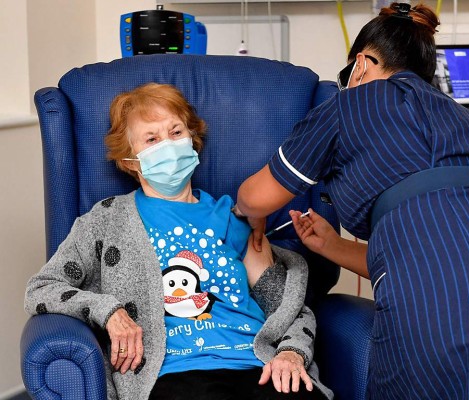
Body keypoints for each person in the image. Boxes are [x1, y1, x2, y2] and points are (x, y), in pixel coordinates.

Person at [235, 3, 469, 399]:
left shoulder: (346, 106)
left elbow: (256, 197)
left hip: (435, 285)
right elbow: (444, 239)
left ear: (360, 64)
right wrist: (332, 246)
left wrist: (242, 212)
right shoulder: (460, 115)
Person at [25, 83, 332, 400]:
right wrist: (109, 311)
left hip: (257, 366)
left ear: (193, 141)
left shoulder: (233, 219)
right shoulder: (106, 221)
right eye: (152, 139)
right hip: (173, 373)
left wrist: (292, 352)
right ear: (131, 160)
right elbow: (41, 289)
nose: (168, 146)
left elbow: (287, 307)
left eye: (176, 133)